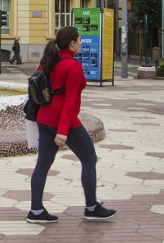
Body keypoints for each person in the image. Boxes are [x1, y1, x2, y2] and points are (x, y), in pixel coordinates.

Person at [27, 25, 116, 225]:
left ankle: (36, 210)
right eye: (80, 40)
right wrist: (63, 131)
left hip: (44, 117)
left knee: (43, 164)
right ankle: (92, 207)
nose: (81, 43)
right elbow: (69, 101)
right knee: (89, 158)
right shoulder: (73, 66)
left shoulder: (47, 61)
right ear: (72, 43)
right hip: (64, 120)